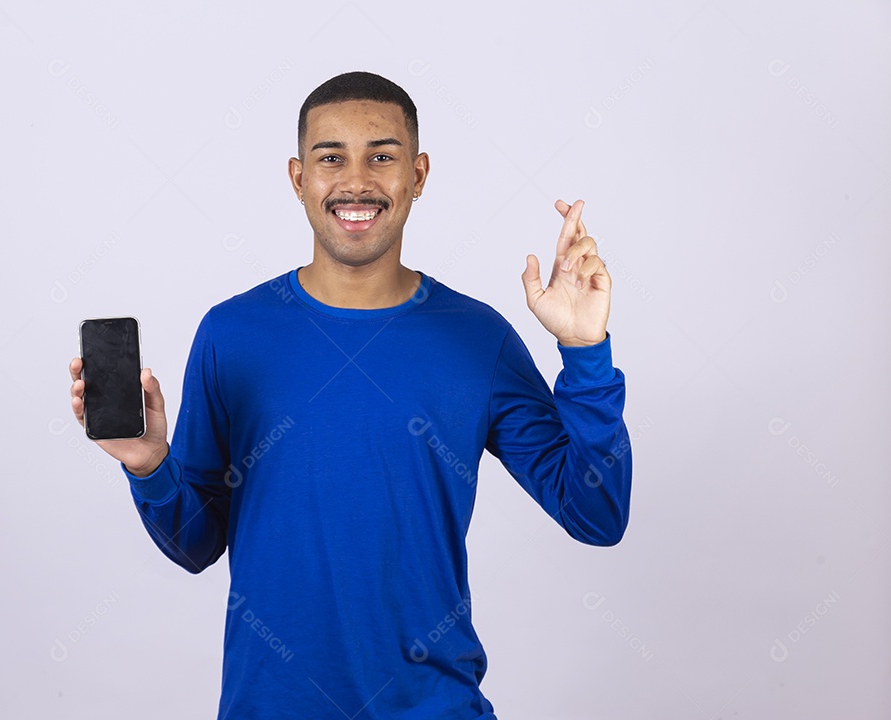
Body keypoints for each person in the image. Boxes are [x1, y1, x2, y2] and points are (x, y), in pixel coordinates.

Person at [68, 70, 631, 719]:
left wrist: (587, 354)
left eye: (382, 157)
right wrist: (149, 464)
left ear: (417, 174)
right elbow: (195, 543)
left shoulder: (477, 339)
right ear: (297, 176)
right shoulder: (232, 334)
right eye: (330, 157)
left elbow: (597, 514)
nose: (356, 181)